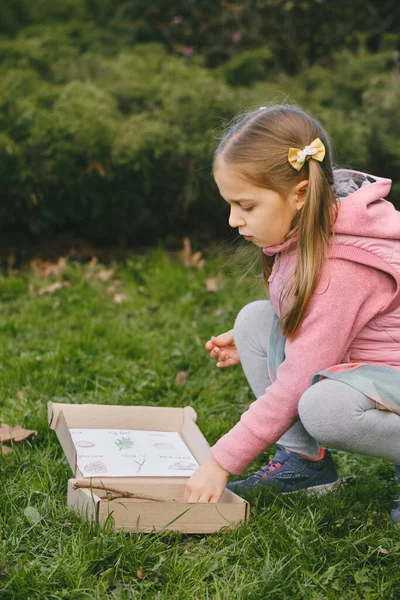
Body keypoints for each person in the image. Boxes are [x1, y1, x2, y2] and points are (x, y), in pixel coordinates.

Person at [183, 103, 400, 524]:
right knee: (252, 321)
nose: (233, 220)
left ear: (299, 194)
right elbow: (319, 317)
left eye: (246, 206)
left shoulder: (344, 267)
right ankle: (306, 465)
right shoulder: (311, 224)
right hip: (374, 366)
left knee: (325, 408)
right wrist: (261, 338)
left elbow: (299, 378)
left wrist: (221, 460)